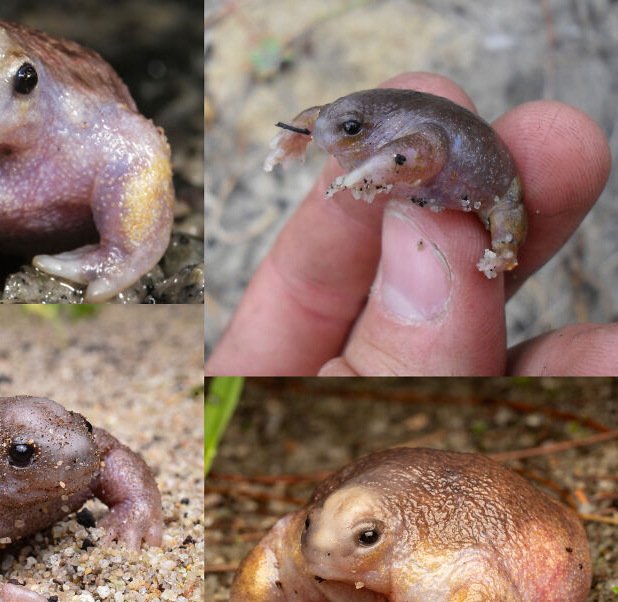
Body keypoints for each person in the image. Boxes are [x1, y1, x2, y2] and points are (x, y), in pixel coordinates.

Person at [206, 73, 614, 376]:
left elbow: (422, 153)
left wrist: (366, 175)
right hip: (420, 168)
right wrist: (297, 135)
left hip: (495, 192)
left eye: (349, 131)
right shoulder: (354, 119)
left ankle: (502, 254)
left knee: (511, 217)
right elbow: (323, 116)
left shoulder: (411, 141)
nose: (327, 134)